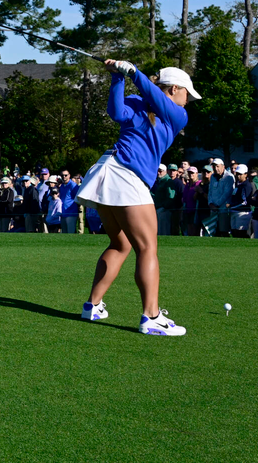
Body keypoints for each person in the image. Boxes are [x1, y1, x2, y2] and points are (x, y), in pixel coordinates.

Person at [77, 61, 200, 336]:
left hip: (107, 171)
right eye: (187, 94)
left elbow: (155, 99)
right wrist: (118, 78)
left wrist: (132, 74)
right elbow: (116, 112)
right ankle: (152, 316)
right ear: (175, 89)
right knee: (147, 248)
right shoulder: (143, 101)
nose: (188, 100)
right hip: (125, 174)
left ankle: (92, 306)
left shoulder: (176, 114)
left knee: (120, 244)